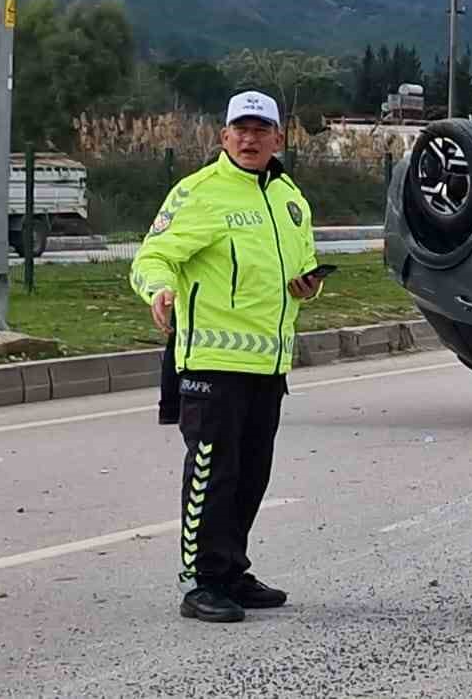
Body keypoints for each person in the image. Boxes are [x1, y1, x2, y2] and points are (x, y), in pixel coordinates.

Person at [130, 90, 325, 624]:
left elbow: (300, 268)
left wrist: (309, 287)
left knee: (250, 473)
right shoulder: (199, 193)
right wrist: (159, 290)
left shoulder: (290, 199)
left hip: (268, 364)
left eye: (260, 130)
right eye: (240, 129)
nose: (249, 138)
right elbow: (154, 255)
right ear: (223, 137)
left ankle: (231, 569)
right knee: (212, 475)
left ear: (278, 139)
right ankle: (201, 582)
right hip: (211, 361)